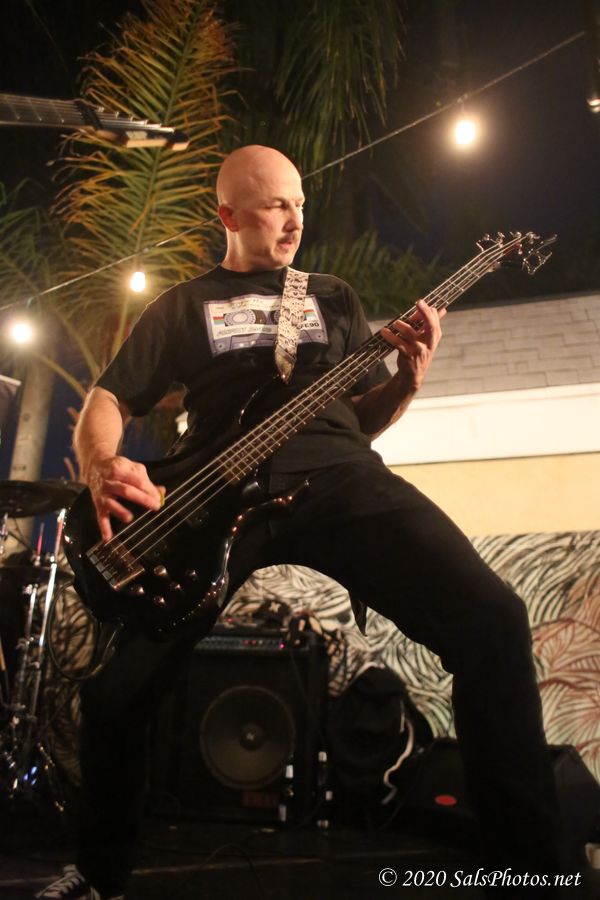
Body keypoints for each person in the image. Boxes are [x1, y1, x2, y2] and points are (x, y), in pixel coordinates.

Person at [39, 146, 569, 899]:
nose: (293, 220)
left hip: (340, 480)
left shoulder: (333, 298)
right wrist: (101, 465)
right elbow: (108, 398)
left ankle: (528, 872)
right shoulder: (184, 306)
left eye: (299, 204)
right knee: (115, 693)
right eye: (274, 206)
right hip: (212, 502)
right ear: (228, 215)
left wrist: (406, 384)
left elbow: (360, 420)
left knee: (494, 619)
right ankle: (99, 877)